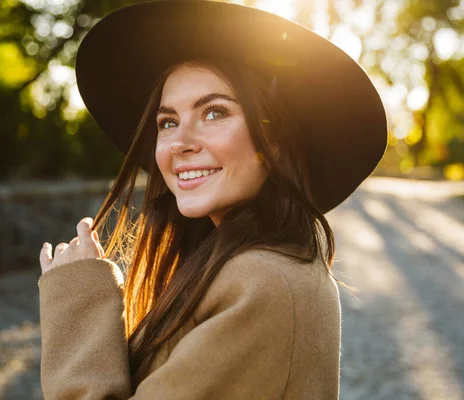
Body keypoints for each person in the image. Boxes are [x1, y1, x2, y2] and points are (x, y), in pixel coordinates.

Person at [37, 1, 387, 399]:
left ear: (273, 139)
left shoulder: (263, 282)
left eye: (215, 113)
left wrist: (80, 302)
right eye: (168, 122)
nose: (180, 143)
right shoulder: (243, 264)